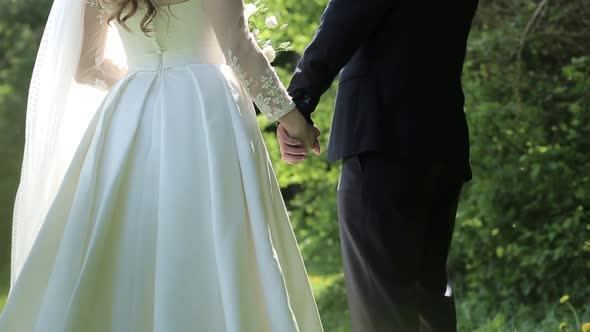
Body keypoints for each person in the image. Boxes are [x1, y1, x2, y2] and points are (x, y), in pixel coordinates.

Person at [0, 0, 323, 331]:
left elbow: (86, 66)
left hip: (129, 112)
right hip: (204, 108)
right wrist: (293, 119)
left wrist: (143, 82)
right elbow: (238, 45)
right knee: (213, 229)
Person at [277, 0, 479, 331]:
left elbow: (344, 18)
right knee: (427, 298)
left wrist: (297, 102)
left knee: (382, 308)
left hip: (381, 134)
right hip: (443, 137)